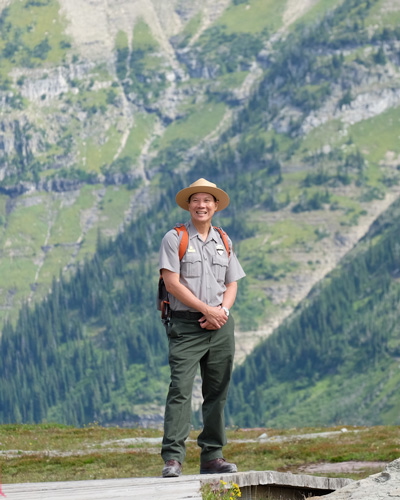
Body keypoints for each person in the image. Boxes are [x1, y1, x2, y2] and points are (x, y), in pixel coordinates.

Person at [158, 178, 246, 477]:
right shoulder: (175, 238)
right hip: (186, 326)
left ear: (216, 206)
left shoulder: (224, 239)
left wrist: (221, 311)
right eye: (196, 200)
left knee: (217, 391)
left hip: (220, 326)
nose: (201, 205)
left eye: (207, 201)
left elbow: (232, 283)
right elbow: (172, 283)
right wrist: (206, 310)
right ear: (188, 205)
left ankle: (212, 456)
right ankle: (173, 458)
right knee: (180, 390)